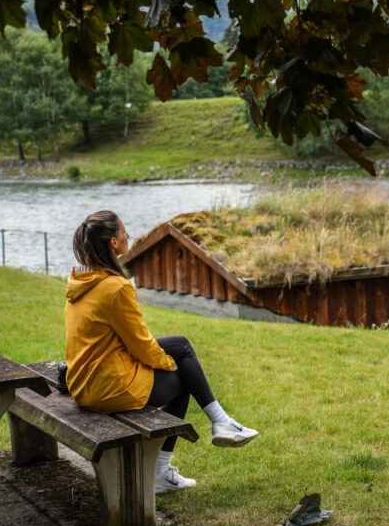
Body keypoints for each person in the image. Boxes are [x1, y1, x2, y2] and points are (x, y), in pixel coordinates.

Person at [64, 209, 258, 494]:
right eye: (123, 230)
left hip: (84, 383)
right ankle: (166, 468)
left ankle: (221, 422)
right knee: (183, 381)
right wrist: (168, 364)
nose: (128, 234)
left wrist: (165, 359)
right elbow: (141, 345)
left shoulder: (79, 283)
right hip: (108, 387)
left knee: (180, 345)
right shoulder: (115, 287)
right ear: (113, 243)